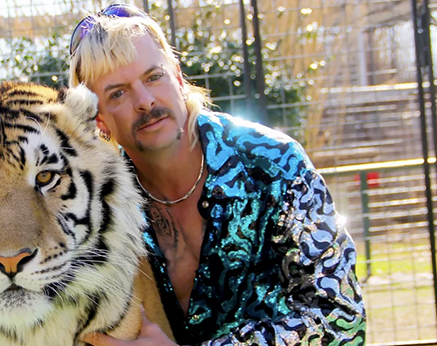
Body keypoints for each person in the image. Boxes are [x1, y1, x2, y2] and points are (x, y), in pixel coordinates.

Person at [69, 4, 366, 346]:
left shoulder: (274, 164)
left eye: (154, 77)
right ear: (100, 120)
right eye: (118, 93)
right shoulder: (98, 211)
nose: (145, 101)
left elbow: (341, 317)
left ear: (178, 78)